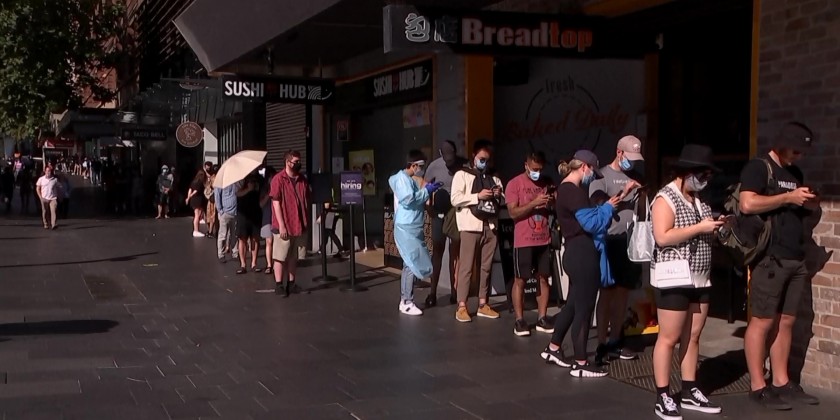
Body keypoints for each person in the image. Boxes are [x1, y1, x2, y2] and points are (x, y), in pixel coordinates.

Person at [739, 122, 820, 410]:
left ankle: (781, 382)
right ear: (782, 144)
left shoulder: (795, 174)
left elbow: (798, 210)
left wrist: (809, 203)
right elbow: (747, 204)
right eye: (796, 150)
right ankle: (757, 386)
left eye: (802, 152)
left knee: (786, 321)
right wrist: (788, 197)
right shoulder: (759, 168)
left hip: (795, 256)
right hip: (770, 258)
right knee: (762, 321)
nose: (799, 156)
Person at [649, 144, 723, 419]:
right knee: (669, 337)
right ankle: (663, 395)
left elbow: (701, 230)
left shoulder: (699, 201)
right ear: (686, 172)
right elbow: (662, 236)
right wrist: (700, 227)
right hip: (674, 276)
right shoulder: (665, 198)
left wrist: (715, 227)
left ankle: (690, 388)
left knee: (692, 336)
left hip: (700, 277)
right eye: (702, 174)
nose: (705, 181)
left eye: (708, 176)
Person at [540, 150, 617, 378]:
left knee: (573, 305)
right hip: (583, 254)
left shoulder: (565, 190)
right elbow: (591, 224)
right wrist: (608, 208)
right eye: (592, 171)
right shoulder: (573, 192)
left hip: (574, 252)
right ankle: (581, 361)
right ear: (584, 167)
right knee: (584, 310)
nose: (592, 177)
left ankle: (553, 347)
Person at [589, 135, 645, 362]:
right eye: (629, 157)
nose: (632, 163)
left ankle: (616, 340)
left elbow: (642, 208)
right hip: (609, 240)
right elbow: (599, 202)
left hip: (630, 240)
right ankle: (601, 342)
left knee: (623, 292)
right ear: (619, 152)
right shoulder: (601, 175)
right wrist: (624, 193)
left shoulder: (636, 176)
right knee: (607, 293)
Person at [450, 139, 504, 323]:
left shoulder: (493, 177)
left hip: (490, 226)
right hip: (470, 226)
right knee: (466, 267)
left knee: (486, 267)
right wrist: (477, 196)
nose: (484, 162)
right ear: (473, 156)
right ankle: (462, 305)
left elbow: (503, 200)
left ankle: (483, 303)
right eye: (482, 159)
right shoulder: (462, 174)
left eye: (487, 159)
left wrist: (498, 194)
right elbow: (455, 199)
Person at [505, 151, 555, 337]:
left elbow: (555, 206)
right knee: (521, 279)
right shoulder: (514, 184)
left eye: (540, 169)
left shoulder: (546, 182)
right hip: (524, 240)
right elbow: (513, 213)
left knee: (544, 278)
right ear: (526, 165)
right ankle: (519, 319)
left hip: (544, 238)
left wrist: (551, 201)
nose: (537, 173)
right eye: (534, 169)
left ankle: (542, 317)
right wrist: (534, 203)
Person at [390, 150, 441, 316]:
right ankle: (407, 301)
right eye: (421, 166)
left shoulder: (407, 180)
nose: (422, 169)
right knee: (411, 264)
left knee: (409, 264)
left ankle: (406, 299)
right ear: (413, 165)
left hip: (412, 226)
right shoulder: (402, 180)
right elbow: (409, 199)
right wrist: (427, 191)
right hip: (406, 227)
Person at [423, 140, 466, 308]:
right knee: (437, 252)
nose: (450, 163)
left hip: (456, 212)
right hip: (439, 213)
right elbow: (425, 187)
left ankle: (455, 292)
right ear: (441, 154)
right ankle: (432, 292)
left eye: (452, 158)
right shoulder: (434, 166)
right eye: (447, 159)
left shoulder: (464, 164)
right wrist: (428, 207)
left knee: (455, 252)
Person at [270, 150, 311, 297]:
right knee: (280, 256)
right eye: (296, 162)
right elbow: (276, 203)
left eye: (299, 161)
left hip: (298, 224)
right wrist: (281, 225)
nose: (299, 164)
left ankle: (291, 283)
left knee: (294, 255)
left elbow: (307, 199)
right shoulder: (278, 179)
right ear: (288, 162)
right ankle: (279, 285)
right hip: (284, 223)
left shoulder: (302, 179)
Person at [235, 174, 262, 274]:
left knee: (255, 238)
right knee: (242, 239)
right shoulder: (239, 181)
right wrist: (248, 189)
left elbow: (261, 196)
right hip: (243, 215)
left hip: (255, 213)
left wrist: (256, 187)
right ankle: (243, 264)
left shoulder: (258, 179)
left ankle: (254, 263)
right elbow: (237, 193)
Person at [215, 181, 239, 264]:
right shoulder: (220, 183)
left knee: (234, 234)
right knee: (223, 235)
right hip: (225, 212)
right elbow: (217, 197)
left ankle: (235, 253)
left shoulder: (235, 182)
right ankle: (221, 254)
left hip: (235, 213)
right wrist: (221, 211)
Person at [259, 167, 278, 274]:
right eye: (271, 177)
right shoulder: (264, 189)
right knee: (269, 241)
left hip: (277, 218)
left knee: (276, 242)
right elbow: (261, 204)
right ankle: (269, 264)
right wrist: (269, 194)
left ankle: (276, 263)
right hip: (267, 218)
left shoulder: (278, 187)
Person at [36, 165, 62, 230]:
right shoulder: (41, 179)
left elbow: (60, 186)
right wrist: (40, 197)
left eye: (49, 171)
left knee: (53, 211)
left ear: (51, 172)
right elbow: (38, 188)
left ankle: (53, 224)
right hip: (44, 198)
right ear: (45, 171)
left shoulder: (54, 180)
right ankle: (46, 224)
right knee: (45, 211)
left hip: (53, 198)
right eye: (47, 171)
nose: (48, 172)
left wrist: (59, 195)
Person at [186, 170, 207, 237]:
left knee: (198, 214)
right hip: (197, 200)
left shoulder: (193, 182)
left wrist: (188, 197)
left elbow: (190, 190)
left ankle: (196, 229)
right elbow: (196, 191)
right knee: (197, 215)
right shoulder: (200, 182)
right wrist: (191, 196)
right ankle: (196, 230)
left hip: (193, 200)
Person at [205, 166, 218, 238]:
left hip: (211, 198)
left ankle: (210, 231)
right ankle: (212, 231)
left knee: (210, 215)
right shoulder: (216, 178)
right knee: (214, 215)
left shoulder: (211, 178)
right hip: (215, 199)